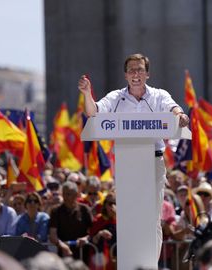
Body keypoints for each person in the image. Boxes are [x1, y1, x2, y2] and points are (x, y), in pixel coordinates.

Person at [78, 53, 190, 258]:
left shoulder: (158, 95)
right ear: (125, 75)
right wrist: (87, 94)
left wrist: (179, 115)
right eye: (131, 70)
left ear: (147, 74)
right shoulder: (116, 97)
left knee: (152, 217)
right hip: (125, 162)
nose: (135, 74)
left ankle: (150, 262)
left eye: (140, 69)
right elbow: (94, 113)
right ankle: (131, 260)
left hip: (154, 160)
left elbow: (173, 108)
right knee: (129, 215)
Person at [49, 181, 93, 260]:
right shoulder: (55, 211)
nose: (65, 197)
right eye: (64, 193)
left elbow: (93, 231)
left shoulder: (85, 209)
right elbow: (52, 234)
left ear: (76, 194)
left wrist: (86, 238)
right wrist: (62, 245)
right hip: (63, 255)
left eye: (68, 194)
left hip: (83, 253)